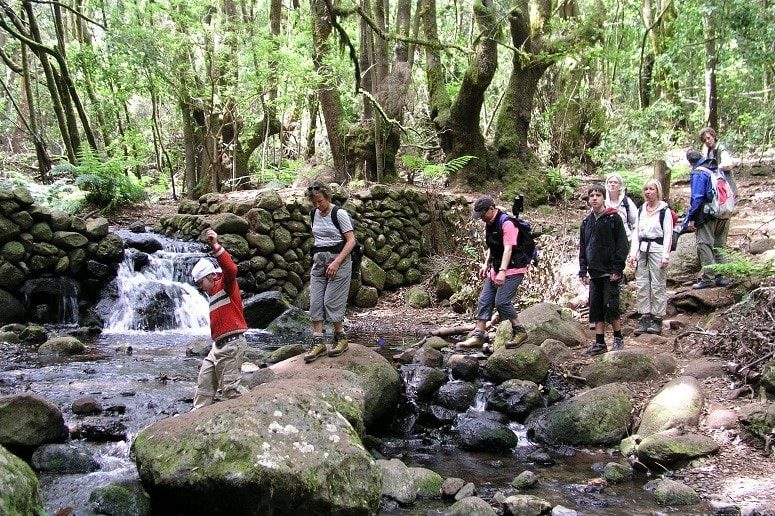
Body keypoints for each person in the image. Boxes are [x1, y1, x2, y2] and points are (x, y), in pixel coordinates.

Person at [457, 196, 529, 351]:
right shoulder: (489, 223)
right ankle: (478, 335)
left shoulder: (507, 223)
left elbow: (508, 248)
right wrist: (486, 264)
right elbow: (492, 246)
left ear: (492, 209)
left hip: (514, 268)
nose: (481, 218)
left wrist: (503, 272)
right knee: (484, 300)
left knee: (502, 302)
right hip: (495, 268)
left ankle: (520, 331)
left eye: (483, 214)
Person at [190, 228, 248, 410]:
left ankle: (254, 403)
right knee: (204, 385)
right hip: (217, 346)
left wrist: (215, 245)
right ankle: (195, 418)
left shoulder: (226, 285)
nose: (201, 288)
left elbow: (231, 268)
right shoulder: (212, 294)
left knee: (230, 390)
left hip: (232, 344)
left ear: (212, 276)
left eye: (201, 283)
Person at [305, 181, 355, 363]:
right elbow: (318, 238)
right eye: (314, 203)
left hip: (339, 261)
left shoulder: (339, 214)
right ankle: (318, 342)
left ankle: (341, 337)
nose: (318, 206)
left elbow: (351, 241)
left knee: (331, 301)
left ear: (327, 197)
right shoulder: (313, 214)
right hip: (319, 262)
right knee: (316, 301)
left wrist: (336, 262)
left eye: (320, 201)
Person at [579, 185, 629, 355]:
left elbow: (622, 245)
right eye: (591, 195)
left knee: (611, 305)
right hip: (594, 272)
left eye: (598, 195)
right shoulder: (586, 222)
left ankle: (618, 337)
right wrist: (582, 270)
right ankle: (599, 342)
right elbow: (583, 248)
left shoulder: (613, 218)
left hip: (610, 271)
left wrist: (617, 268)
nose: (594, 198)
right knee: (596, 307)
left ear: (603, 198)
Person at [628, 179, 673, 335]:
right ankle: (644, 315)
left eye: (651, 189)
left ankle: (657, 317)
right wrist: (633, 253)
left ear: (657, 191)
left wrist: (665, 255)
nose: (648, 192)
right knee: (642, 284)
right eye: (646, 189)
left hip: (657, 250)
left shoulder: (664, 211)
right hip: (642, 250)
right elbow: (636, 233)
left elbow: (668, 234)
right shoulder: (641, 210)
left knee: (658, 284)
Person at [683, 149, 732, 289]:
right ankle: (722, 276)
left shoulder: (699, 172)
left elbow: (697, 197)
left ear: (690, 162)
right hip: (724, 211)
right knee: (720, 245)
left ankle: (708, 279)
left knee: (705, 244)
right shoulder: (716, 169)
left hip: (708, 214)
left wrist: (691, 217)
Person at [699, 127, 738, 196]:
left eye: (708, 138)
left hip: (726, 185)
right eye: (704, 140)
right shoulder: (708, 151)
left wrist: (715, 168)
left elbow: (728, 166)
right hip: (717, 185)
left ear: (713, 136)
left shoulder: (721, 149)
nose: (707, 141)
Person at [605, 173, 638, 241]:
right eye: (610, 182)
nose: (612, 184)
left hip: (625, 239)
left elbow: (635, 221)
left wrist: (633, 236)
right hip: (606, 240)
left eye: (615, 182)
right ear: (607, 184)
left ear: (620, 186)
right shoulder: (602, 201)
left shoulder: (627, 202)